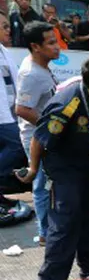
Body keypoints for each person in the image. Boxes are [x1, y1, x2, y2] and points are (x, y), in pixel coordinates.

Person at [19, 57, 89, 280]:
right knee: (64, 225)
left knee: (87, 219)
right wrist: (33, 169)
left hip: (81, 167)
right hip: (63, 172)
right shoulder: (69, 103)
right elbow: (40, 139)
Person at [16, 21, 60, 245]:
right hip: (37, 137)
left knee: (49, 182)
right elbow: (22, 109)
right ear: (35, 46)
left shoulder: (41, 66)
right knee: (42, 184)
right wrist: (51, 128)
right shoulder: (31, 73)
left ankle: (50, 227)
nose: (57, 47)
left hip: (47, 135)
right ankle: (45, 233)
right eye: (51, 43)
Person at [0, 11, 25, 215]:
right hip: (2, 116)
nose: (10, 31)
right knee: (17, 145)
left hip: (8, 111)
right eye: (4, 27)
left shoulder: (4, 51)